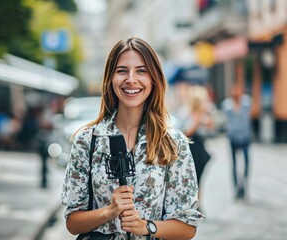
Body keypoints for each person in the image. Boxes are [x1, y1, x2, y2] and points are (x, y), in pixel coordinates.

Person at [61, 37, 204, 239]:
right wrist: (109, 211)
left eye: (141, 71)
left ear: (153, 78)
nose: (131, 79)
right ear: (110, 79)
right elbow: (72, 223)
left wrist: (147, 227)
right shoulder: (87, 140)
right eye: (121, 71)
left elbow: (187, 227)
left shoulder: (173, 143)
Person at [176, 85, 213, 209]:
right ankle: (192, 203)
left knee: (199, 179)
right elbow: (186, 133)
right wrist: (198, 120)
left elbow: (210, 127)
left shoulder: (201, 113)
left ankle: (198, 203)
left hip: (200, 148)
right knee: (191, 179)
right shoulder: (186, 113)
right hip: (190, 149)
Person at [222, 84, 252, 200]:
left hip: (245, 137)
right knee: (234, 164)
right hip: (233, 137)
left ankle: (244, 186)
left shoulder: (246, 102)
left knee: (246, 163)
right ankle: (236, 189)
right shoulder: (227, 105)